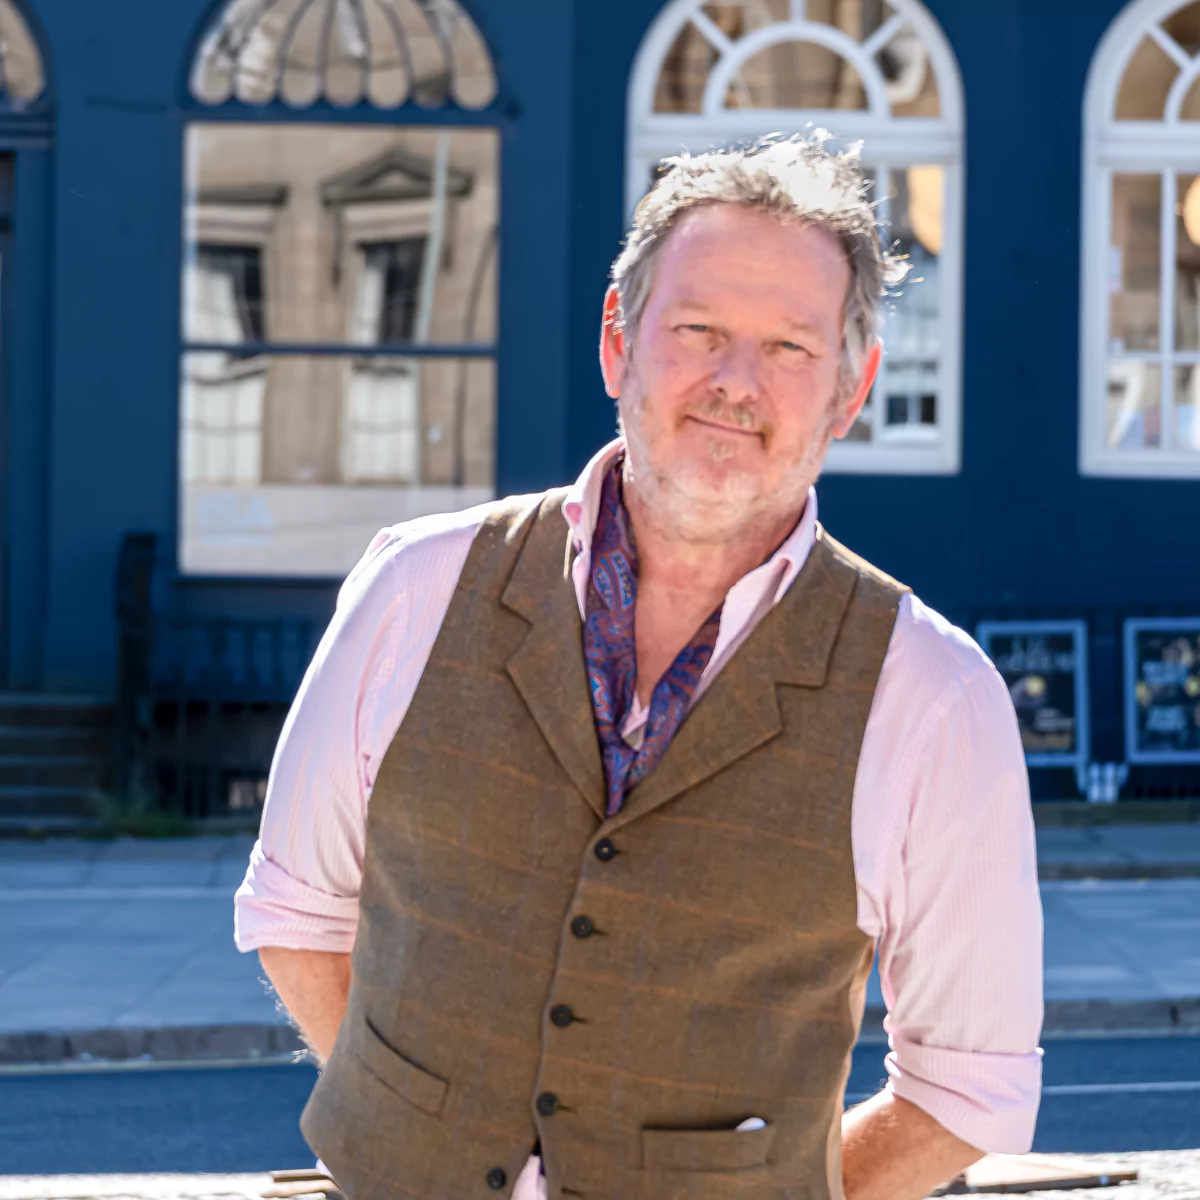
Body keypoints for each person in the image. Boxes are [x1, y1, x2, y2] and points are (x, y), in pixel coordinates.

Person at [235, 132, 1043, 1200]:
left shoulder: (934, 697)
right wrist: (410, 1141)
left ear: (852, 391)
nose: (734, 384)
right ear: (618, 343)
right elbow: (297, 915)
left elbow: (968, 1091)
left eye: (791, 348)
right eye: (698, 330)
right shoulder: (416, 587)